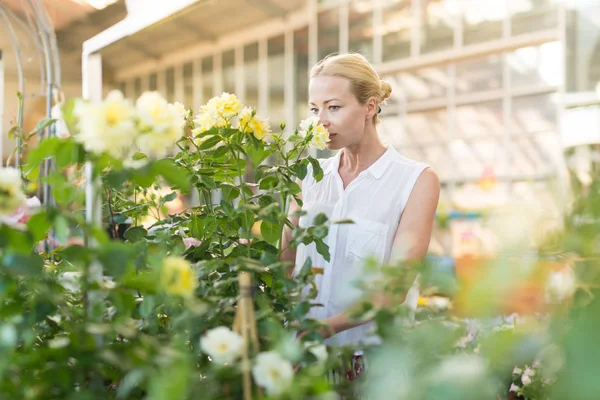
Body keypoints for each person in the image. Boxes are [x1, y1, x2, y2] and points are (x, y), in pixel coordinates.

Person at [281, 53, 440, 349]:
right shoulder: (309, 178)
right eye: (315, 109)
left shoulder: (416, 180)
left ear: (369, 107)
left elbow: (395, 287)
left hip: (372, 366)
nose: (321, 121)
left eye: (334, 107)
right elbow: (286, 261)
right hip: (306, 362)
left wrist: (326, 328)